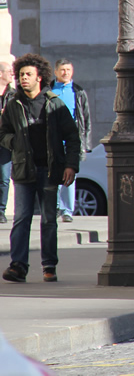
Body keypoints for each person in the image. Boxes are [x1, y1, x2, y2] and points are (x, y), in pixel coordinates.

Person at [1, 54, 81, 284]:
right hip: (23, 169)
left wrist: (70, 166)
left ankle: (49, 266)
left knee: (48, 220)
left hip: (48, 170)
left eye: (28, 75)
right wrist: (13, 142)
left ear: (39, 77)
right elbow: (3, 133)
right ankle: (18, 266)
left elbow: (72, 137)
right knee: (22, 218)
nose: (23, 78)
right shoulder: (14, 104)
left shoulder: (54, 103)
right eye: (21, 75)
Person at [51, 59, 91, 222]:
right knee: (53, 173)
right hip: (52, 138)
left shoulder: (78, 92)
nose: (65, 72)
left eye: (68, 69)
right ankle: (55, 207)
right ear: (56, 72)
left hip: (71, 138)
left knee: (69, 172)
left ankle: (67, 210)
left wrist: (85, 143)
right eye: (62, 69)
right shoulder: (49, 89)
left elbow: (85, 120)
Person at [0, 60, 14, 224]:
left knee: (4, 177)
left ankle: (1, 211)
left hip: (5, 141)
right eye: (9, 71)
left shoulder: (14, 95)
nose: (12, 73)